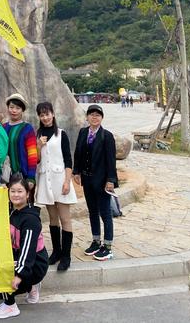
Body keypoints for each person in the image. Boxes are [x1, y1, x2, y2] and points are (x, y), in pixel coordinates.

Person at [0, 174, 49, 319]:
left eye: (20, 191)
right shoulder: (13, 210)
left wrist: (19, 275)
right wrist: (1, 191)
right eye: (12, 191)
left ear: (28, 194)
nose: (16, 195)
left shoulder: (30, 220)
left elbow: (28, 251)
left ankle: (11, 306)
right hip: (19, 257)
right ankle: (32, 286)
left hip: (35, 263)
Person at [34, 101, 77, 272]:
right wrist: (39, 146)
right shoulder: (38, 135)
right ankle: (56, 252)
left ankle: (66, 256)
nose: (45, 117)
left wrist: (67, 181)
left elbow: (68, 160)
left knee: (65, 218)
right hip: (46, 181)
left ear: (53, 114)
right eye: (42, 115)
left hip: (60, 181)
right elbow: (36, 160)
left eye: (47, 113)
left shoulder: (61, 134)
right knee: (52, 219)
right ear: (39, 116)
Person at [73, 104, 118, 261]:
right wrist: (76, 171)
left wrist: (111, 180)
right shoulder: (83, 132)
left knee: (105, 213)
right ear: (87, 117)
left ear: (102, 118)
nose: (94, 117)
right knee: (92, 211)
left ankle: (108, 246)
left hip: (102, 181)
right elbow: (78, 153)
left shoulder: (107, 136)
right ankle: (96, 241)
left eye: (97, 115)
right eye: (91, 114)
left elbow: (111, 161)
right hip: (87, 179)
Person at [2, 94, 37, 189]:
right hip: (5, 177)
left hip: (23, 177)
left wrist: (31, 177)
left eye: (18, 108)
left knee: (24, 203)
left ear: (22, 110)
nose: (14, 110)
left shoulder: (27, 128)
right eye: (11, 107)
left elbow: (32, 155)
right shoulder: (3, 128)